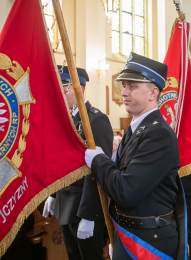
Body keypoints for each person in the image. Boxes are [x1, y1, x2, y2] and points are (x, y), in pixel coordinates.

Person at [85, 52, 187, 260]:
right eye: (124, 86)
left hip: (148, 242)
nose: (124, 92)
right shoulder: (137, 128)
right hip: (128, 233)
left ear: (153, 93)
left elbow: (125, 190)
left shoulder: (158, 134)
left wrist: (98, 160)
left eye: (132, 86)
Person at [43, 66, 113, 260]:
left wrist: (89, 214)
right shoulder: (68, 120)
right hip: (66, 206)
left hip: (84, 206)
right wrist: (55, 195)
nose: (60, 92)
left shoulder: (95, 120)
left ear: (79, 88)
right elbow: (63, 163)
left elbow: (99, 170)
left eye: (64, 87)